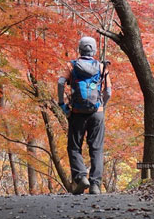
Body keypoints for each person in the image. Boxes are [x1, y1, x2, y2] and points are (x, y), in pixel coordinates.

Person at [57, 36, 112, 195]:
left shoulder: (72, 66)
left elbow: (61, 82)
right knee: (96, 148)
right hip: (97, 113)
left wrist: (62, 104)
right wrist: (102, 106)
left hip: (77, 113)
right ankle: (95, 185)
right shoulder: (102, 67)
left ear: (79, 50)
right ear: (94, 50)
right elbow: (108, 91)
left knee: (74, 147)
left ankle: (81, 177)